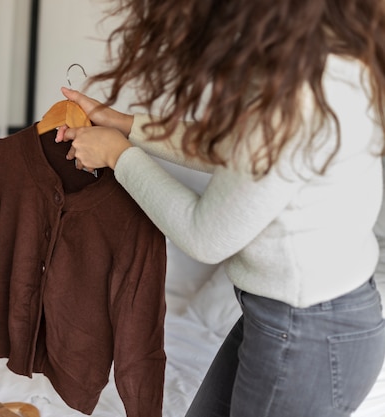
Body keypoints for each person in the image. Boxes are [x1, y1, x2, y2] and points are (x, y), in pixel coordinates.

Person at [53, 1, 385, 416]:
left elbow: (205, 236)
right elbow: (234, 149)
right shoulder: (321, 61)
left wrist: (120, 157)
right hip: (290, 319)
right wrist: (128, 126)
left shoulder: (297, 97)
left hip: (307, 332)